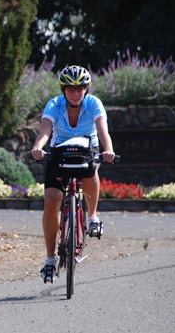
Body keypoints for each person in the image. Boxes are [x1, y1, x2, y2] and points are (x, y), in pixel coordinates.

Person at [30, 65, 115, 284]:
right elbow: (45, 130)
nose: (76, 93)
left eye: (80, 89)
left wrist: (108, 149)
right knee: (51, 202)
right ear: (63, 90)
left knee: (90, 171)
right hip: (60, 153)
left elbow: (102, 130)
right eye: (71, 89)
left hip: (86, 151)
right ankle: (50, 260)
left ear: (86, 89)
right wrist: (39, 147)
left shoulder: (93, 103)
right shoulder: (54, 105)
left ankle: (92, 217)